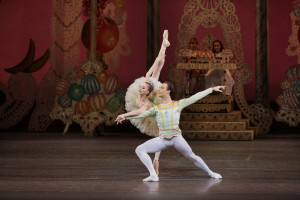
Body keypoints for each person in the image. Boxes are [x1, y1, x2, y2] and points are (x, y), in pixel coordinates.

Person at [116, 81, 225, 182]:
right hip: (163, 139)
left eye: (162, 88)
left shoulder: (178, 104)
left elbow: (194, 97)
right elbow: (141, 114)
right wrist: (125, 116)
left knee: (192, 156)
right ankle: (153, 175)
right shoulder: (156, 108)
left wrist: (211, 89)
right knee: (139, 149)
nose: (159, 90)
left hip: (177, 138)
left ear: (168, 91)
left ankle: (211, 173)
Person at [117, 30, 170, 175]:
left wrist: (125, 115)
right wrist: (155, 64)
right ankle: (164, 45)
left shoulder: (147, 100)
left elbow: (139, 112)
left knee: (160, 63)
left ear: (147, 91)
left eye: (142, 87)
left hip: (155, 112)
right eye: (140, 86)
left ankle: (156, 160)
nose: (139, 88)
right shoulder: (143, 89)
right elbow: (148, 74)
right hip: (149, 112)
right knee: (158, 64)